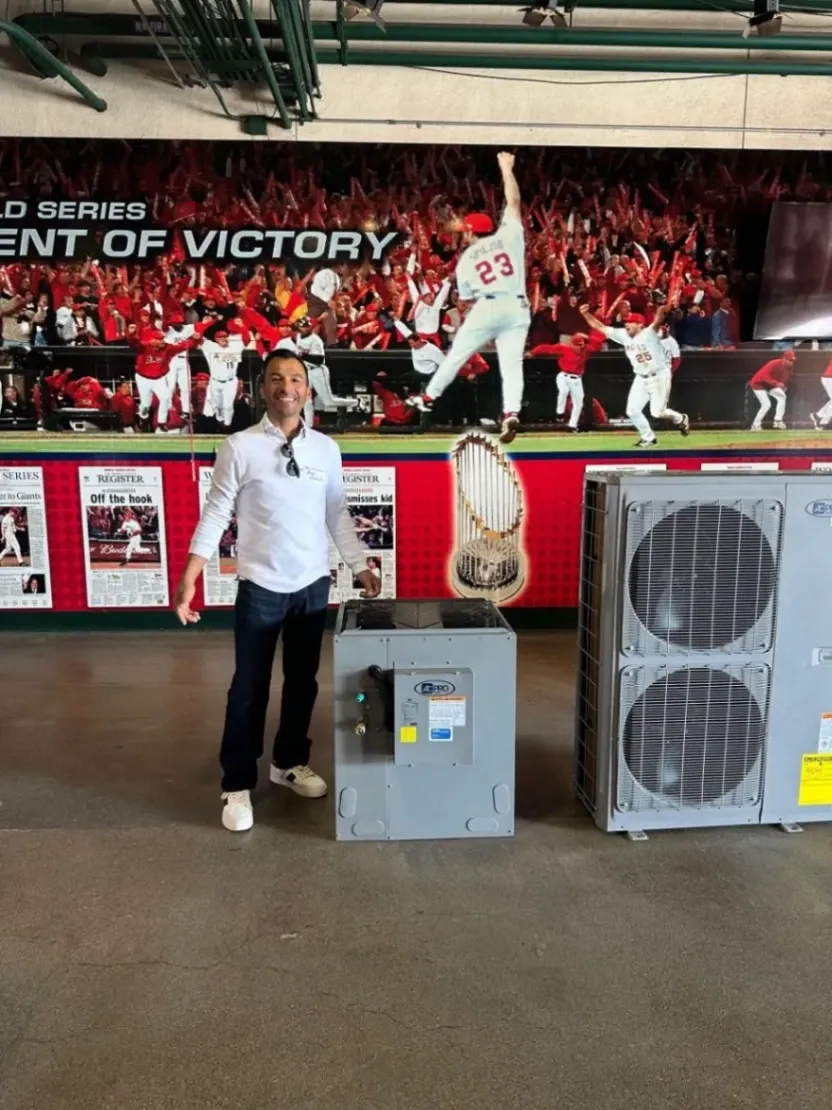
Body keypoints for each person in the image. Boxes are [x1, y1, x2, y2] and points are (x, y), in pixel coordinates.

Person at [174, 349, 381, 833]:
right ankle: (238, 783)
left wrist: (359, 566)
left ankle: (288, 764)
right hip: (261, 588)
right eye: (276, 379)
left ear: (308, 389)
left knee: (303, 683)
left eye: (295, 378)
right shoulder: (239, 447)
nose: (286, 387)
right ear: (262, 388)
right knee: (248, 689)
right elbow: (215, 515)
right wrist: (190, 577)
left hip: (312, 587)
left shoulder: (325, 450)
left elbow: (336, 514)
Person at [408, 151, 529, 445]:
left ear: (473, 232)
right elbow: (513, 202)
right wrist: (506, 168)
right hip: (518, 306)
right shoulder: (511, 235)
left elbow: (466, 299)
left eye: (466, 231)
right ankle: (510, 411)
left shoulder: (468, 259)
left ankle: (427, 397)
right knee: (512, 364)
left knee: (457, 355)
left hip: (489, 304)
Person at [579, 303, 689, 447]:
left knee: (657, 412)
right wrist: (585, 314)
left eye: (630, 322)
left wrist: (662, 308)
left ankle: (680, 418)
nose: (627, 324)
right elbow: (599, 326)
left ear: (640, 325)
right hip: (641, 378)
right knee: (632, 410)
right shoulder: (623, 335)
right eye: (626, 322)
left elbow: (658, 321)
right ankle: (648, 437)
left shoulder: (648, 333)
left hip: (659, 376)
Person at [749, 350, 794, 431]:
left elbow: (786, 380)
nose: (791, 362)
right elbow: (764, 376)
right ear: (784, 358)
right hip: (759, 384)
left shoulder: (789, 368)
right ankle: (755, 425)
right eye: (789, 360)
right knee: (766, 404)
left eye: (792, 360)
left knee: (782, 397)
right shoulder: (774, 363)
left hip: (770, 385)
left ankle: (777, 420)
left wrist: (784, 386)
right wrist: (776, 383)